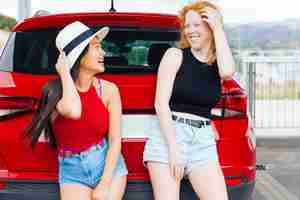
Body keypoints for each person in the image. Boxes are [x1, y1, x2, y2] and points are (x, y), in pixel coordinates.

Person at [143, 1, 235, 200]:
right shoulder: (175, 55)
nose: (190, 31)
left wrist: (219, 29)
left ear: (210, 26)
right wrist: (174, 148)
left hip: (202, 140)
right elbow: (160, 104)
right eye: (187, 26)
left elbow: (228, 72)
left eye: (196, 25)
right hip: (170, 137)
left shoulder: (217, 64)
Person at [26, 21, 127, 200]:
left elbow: (115, 140)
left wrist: (104, 185)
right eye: (97, 47)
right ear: (79, 55)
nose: (103, 52)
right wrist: (65, 72)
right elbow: (74, 111)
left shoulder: (109, 90)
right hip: (72, 171)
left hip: (106, 164)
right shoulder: (54, 91)